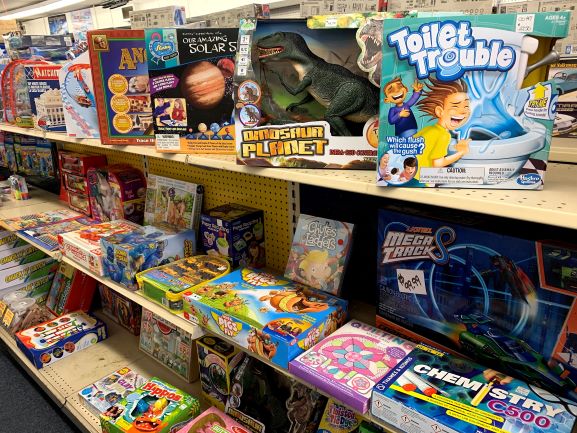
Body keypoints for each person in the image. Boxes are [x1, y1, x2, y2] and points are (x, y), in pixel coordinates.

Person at [413, 77, 471, 180]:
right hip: (421, 180)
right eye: (455, 106)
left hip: (410, 175)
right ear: (439, 111)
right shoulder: (443, 135)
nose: (463, 111)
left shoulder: (429, 129)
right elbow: (438, 164)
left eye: (466, 106)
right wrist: (461, 152)